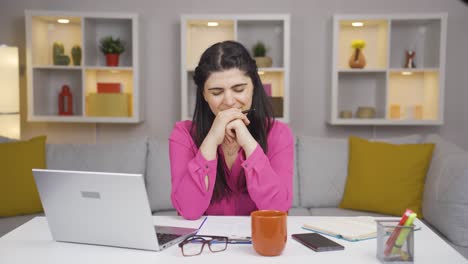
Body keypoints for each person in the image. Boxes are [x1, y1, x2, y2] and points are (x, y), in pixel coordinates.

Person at [169, 40, 293, 220]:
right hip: (207, 243)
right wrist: (211, 140)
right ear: (204, 94)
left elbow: (278, 210)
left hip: (256, 242)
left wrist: (248, 143)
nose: (228, 101)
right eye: (216, 92)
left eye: (239, 89)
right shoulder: (183, 135)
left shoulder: (278, 133)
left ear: (253, 88)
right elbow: (188, 210)